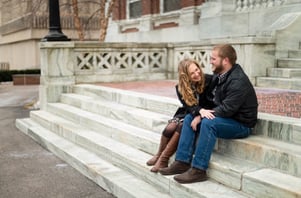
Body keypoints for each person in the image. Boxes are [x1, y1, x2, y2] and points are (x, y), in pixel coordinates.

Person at [159, 44, 258, 183]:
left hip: (241, 124)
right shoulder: (221, 74)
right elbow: (199, 86)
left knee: (208, 122)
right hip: (228, 119)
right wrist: (197, 112)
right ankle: (182, 162)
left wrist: (201, 116)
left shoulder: (238, 80)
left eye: (213, 58)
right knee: (188, 118)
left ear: (225, 60)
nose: (210, 61)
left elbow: (227, 108)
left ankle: (199, 170)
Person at [146, 58, 213, 172]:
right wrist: (197, 112)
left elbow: (212, 103)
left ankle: (163, 160)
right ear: (185, 77)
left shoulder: (209, 80)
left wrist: (199, 114)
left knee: (180, 127)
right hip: (189, 110)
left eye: (197, 69)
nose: (197, 74)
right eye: (192, 73)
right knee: (170, 127)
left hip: (202, 112)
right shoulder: (180, 88)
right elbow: (188, 106)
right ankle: (159, 155)